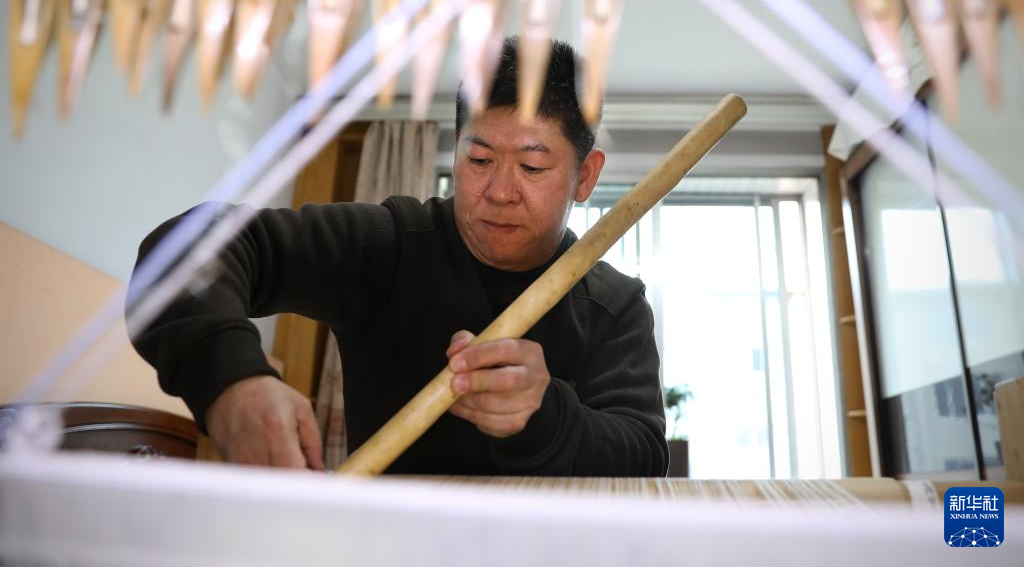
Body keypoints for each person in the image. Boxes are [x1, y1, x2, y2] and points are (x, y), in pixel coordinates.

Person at [129, 36, 668, 476]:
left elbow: (645, 457)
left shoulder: (614, 303)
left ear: (586, 176)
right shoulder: (389, 245)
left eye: (532, 167)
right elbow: (184, 253)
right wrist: (232, 380)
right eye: (479, 159)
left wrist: (543, 418)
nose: (500, 192)